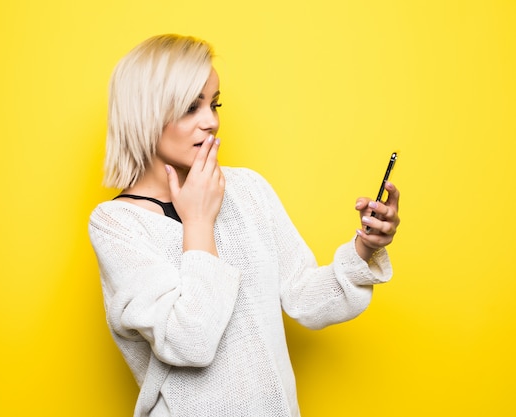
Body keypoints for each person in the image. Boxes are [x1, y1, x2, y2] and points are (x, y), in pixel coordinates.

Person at [88, 34, 400, 417]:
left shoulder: (247, 189)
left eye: (214, 104)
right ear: (145, 113)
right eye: (191, 107)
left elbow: (303, 296)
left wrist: (364, 249)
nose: (212, 122)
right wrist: (199, 220)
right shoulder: (116, 225)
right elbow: (190, 343)